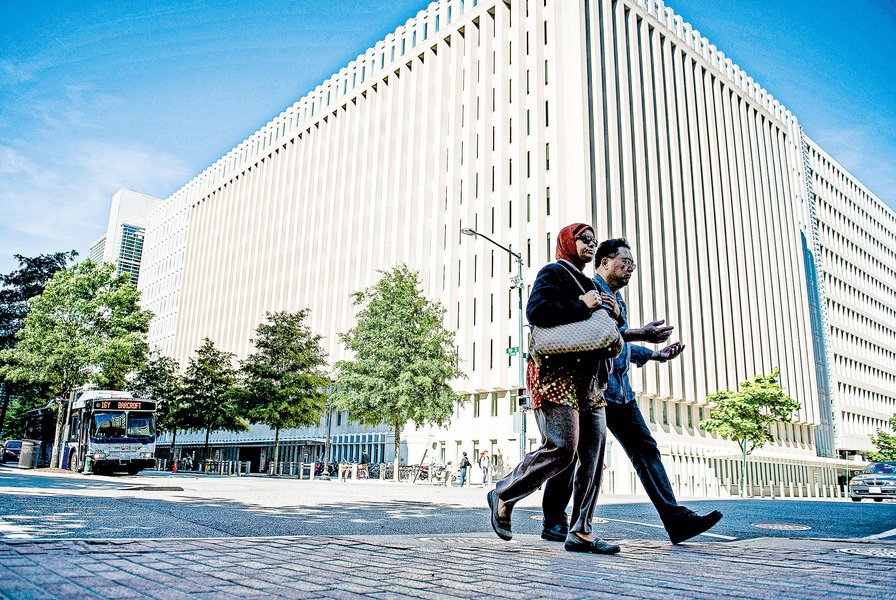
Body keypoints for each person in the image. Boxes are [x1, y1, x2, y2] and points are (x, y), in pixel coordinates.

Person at [540, 238, 723, 545]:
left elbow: (618, 346)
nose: (629, 270)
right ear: (604, 262)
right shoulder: (588, 290)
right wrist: (643, 333)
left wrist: (656, 354)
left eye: (632, 266)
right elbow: (596, 333)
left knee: (645, 449)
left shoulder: (619, 301)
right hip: (589, 389)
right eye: (625, 263)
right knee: (571, 457)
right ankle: (555, 521)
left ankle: (674, 521)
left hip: (620, 393)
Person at [488, 223, 622, 555]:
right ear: (567, 242)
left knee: (592, 456)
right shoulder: (554, 272)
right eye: (584, 239)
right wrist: (583, 305)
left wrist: (613, 314)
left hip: (588, 383)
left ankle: (581, 530)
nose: (591, 245)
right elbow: (537, 312)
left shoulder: (590, 283)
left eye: (594, 240)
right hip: (555, 376)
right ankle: (504, 492)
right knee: (564, 448)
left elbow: (599, 330)